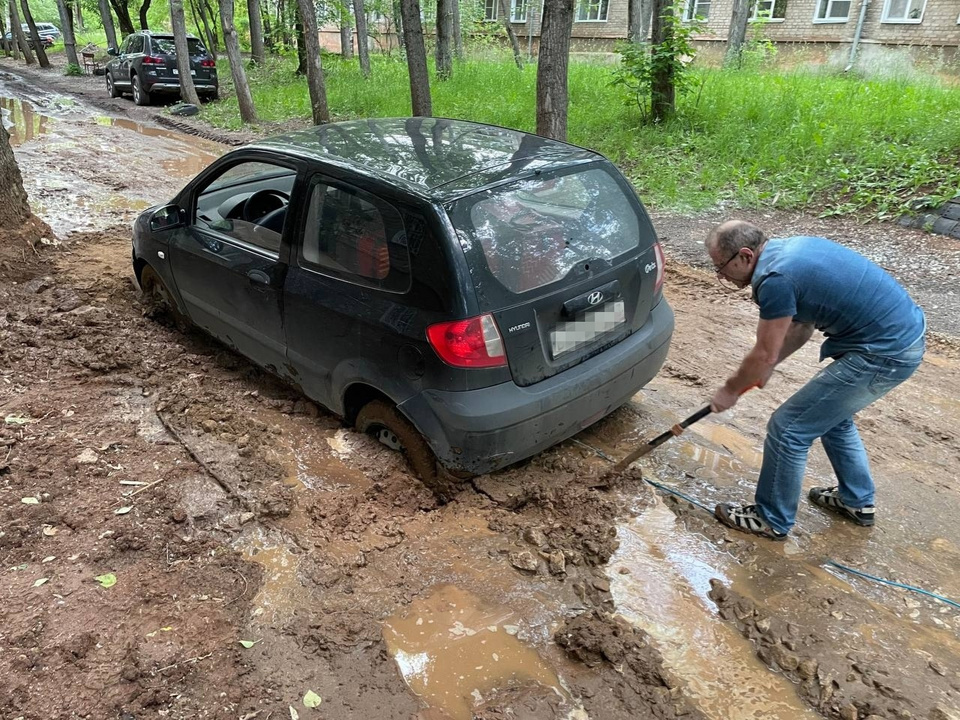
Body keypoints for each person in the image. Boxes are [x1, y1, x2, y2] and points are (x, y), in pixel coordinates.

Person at [705, 220, 926, 540]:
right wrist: (768, 366)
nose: (720, 275)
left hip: (885, 353)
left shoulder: (775, 279)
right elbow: (801, 327)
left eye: (721, 267)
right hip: (898, 339)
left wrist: (731, 389)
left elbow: (764, 351)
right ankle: (857, 500)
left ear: (745, 256)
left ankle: (771, 518)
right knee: (830, 418)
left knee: (789, 427)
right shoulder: (785, 252)